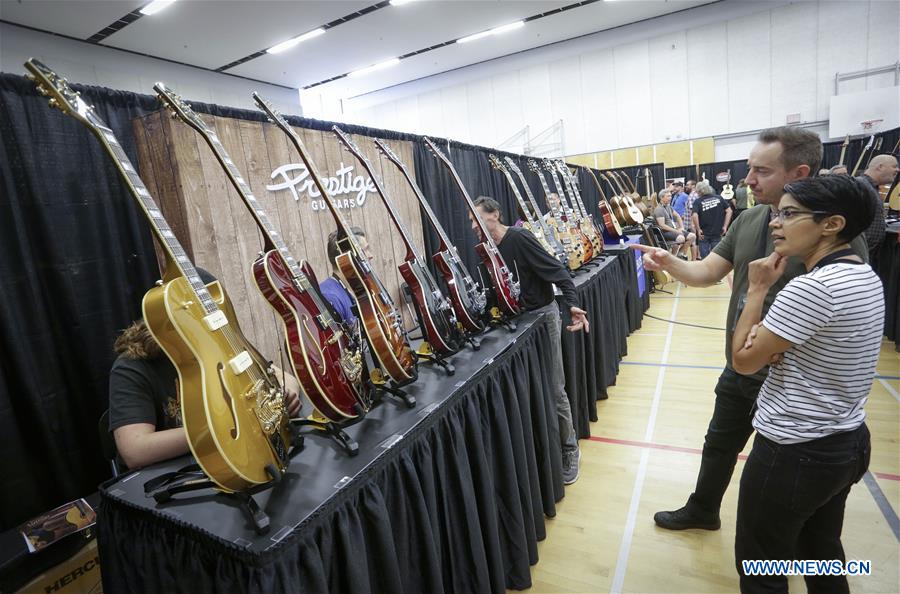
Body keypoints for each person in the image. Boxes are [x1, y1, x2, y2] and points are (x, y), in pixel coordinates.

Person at [632, 126, 868, 531]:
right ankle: (704, 508)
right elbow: (708, 271)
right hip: (740, 365)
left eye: (762, 171)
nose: (748, 179)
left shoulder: (834, 239)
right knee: (719, 442)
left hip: (789, 382)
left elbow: (842, 314)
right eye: (749, 168)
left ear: (800, 173)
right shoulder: (750, 218)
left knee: (780, 474)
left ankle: (788, 542)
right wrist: (669, 262)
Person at [731, 174, 882, 593]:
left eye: (789, 214)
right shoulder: (863, 275)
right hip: (846, 440)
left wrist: (758, 289)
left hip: (794, 451)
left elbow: (743, 360)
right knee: (821, 553)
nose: (775, 223)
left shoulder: (813, 288)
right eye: (778, 213)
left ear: (832, 224)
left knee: (761, 568)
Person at [109, 269, 302, 470]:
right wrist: (222, 428)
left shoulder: (219, 340)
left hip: (234, 460)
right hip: (175, 476)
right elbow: (135, 450)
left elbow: (279, 375)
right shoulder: (133, 367)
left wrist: (287, 395)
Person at [472, 195, 589, 484]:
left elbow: (557, 271)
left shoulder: (520, 238)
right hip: (516, 323)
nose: (472, 225)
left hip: (542, 318)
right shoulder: (488, 249)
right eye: (470, 220)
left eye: (477, 218)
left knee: (553, 387)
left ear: (495, 214)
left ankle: (569, 448)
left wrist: (571, 304)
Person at [320, 227, 373, 327]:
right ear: (347, 258)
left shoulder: (360, 287)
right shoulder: (330, 297)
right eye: (365, 251)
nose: (371, 255)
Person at [859, 154, 898, 256]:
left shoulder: (870, 187)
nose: (897, 170)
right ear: (880, 167)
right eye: (894, 166)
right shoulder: (861, 186)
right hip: (861, 253)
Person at [691, 181, 733, 259]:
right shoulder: (719, 198)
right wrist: (725, 226)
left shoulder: (698, 201)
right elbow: (729, 211)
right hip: (717, 231)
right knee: (716, 256)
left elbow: (694, 214)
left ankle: (706, 270)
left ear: (699, 191)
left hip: (703, 233)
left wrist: (698, 229)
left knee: (705, 257)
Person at [654, 189, 696, 258]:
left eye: (670, 196)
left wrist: (682, 227)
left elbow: (678, 216)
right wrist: (676, 231)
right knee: (681, 238)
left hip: (673, 230)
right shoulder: (659, 209)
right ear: (662, 198)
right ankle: (673, 257)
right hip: (665, 232)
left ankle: (680, 253)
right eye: (668, 196)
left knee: (692, 236)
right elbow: (662, 226)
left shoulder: (668, 207)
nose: (670, 198)